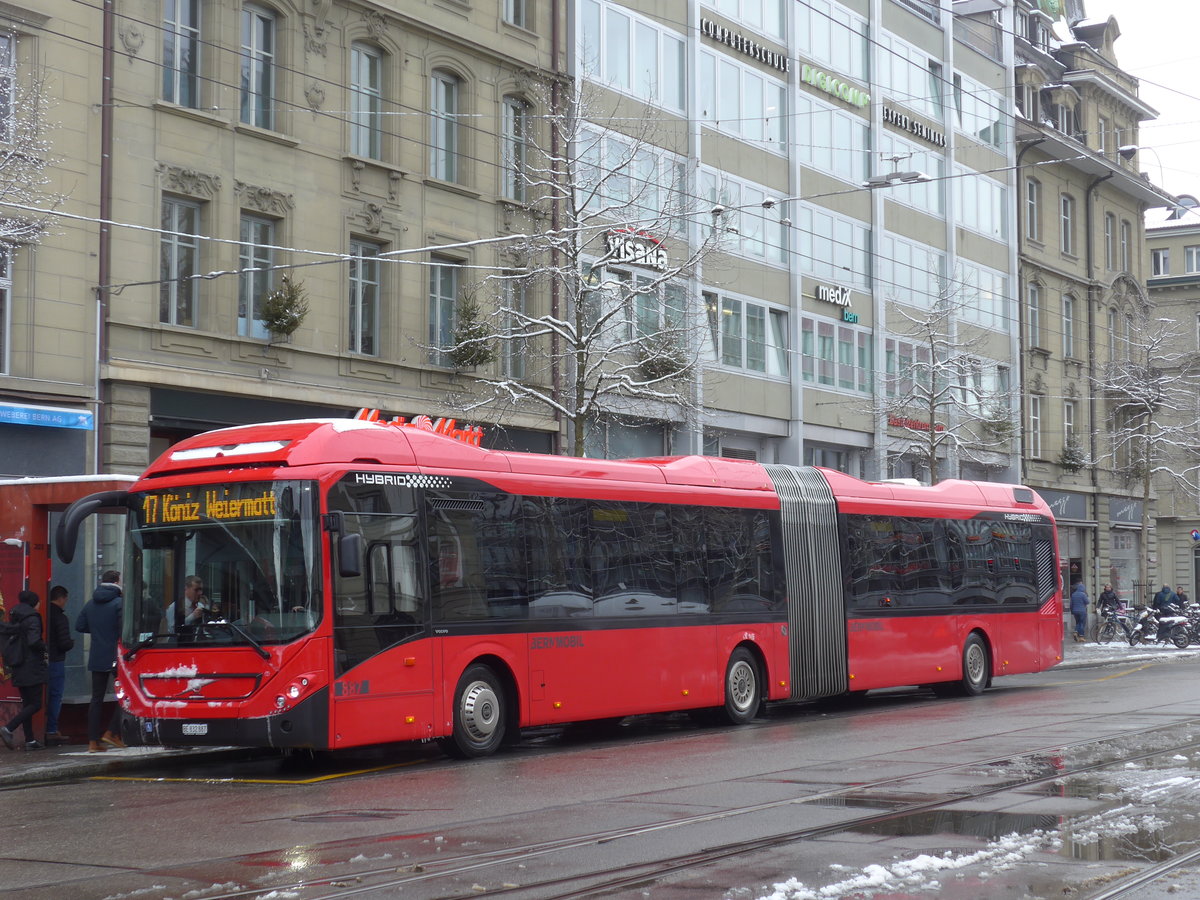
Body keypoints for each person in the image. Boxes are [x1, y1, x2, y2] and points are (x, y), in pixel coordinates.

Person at [76, 569, 126, 753]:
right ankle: (112, 732)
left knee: (96, 699)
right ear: (116, 581)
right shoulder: (119, 603)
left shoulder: (90, 604)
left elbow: (80, 625)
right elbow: (124, 629)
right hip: (117, 656)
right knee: (127, 695)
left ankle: (93, 742)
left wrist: (99, 632)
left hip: (97, 655)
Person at [0, 590, 48, 751]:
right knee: (35, 704)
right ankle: (8, 728)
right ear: (34, 603)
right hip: (31, 665)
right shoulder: (33, 618)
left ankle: (30, 740)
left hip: (18, 664)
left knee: (27, 703)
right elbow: (34, 641)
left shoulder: (15, 615)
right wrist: (45, 647)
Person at [44, 585, 74, 746]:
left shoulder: (43, 614)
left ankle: (42, 728)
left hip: (43, 660)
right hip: (56, 661)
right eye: (66, 599)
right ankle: (51, 729)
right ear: (61, 598)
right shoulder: (61, 617)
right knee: (55, 695)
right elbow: (64, 643)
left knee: (43, 695)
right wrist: (71, 643)